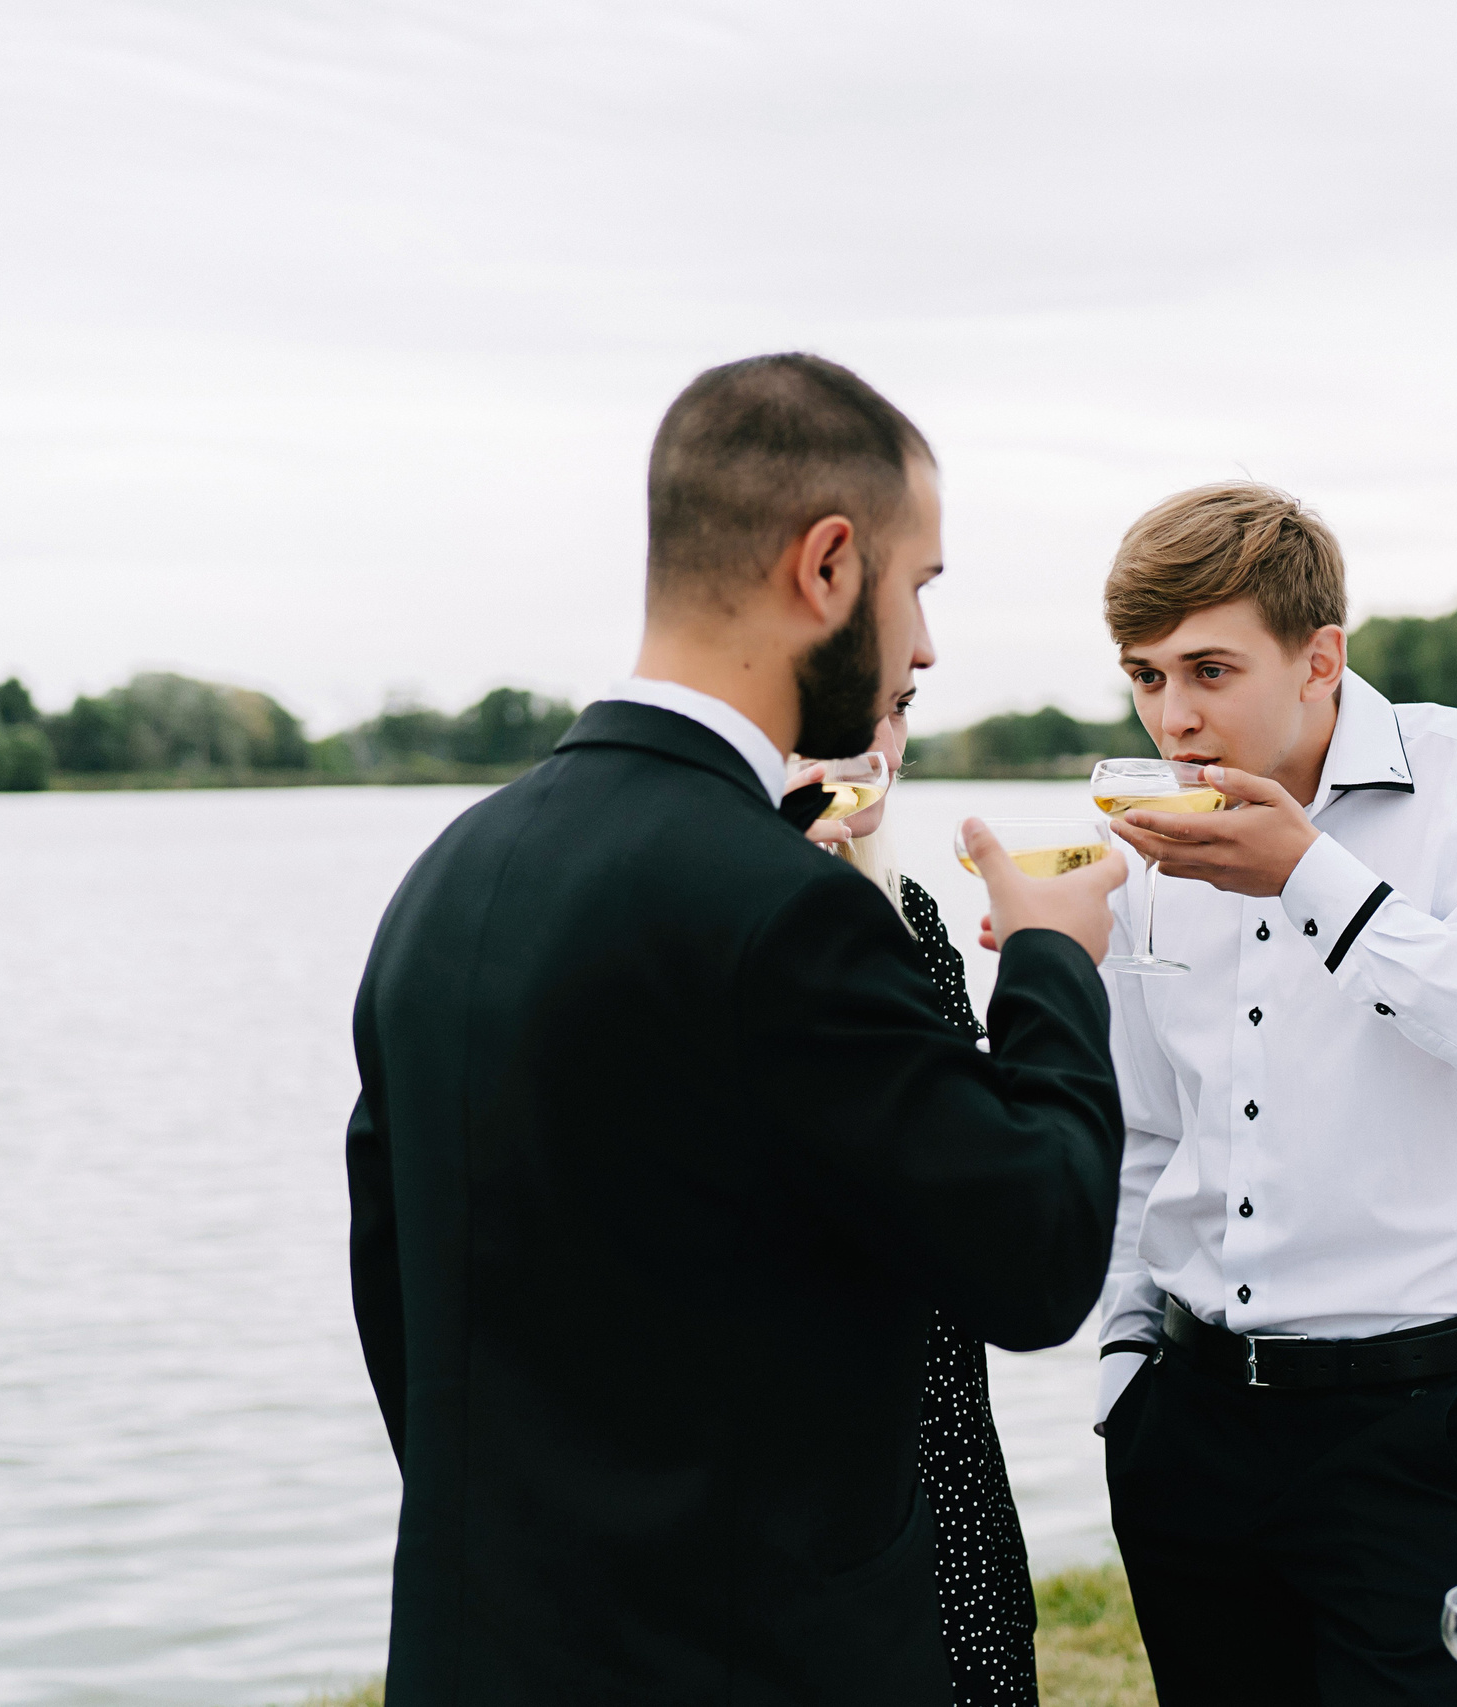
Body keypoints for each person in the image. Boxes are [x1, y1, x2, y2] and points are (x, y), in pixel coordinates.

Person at [344, 352, 1128, 1705]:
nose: (925, 644)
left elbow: (395, 1292)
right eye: (918, 585)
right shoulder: (781, 912)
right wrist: (1055, 955)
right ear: (827, 567)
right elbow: (1036, 1249)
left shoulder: (450, 875)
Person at [1089, 482, 1457, 1706]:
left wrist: (1313, 879)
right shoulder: (1142, 838)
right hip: (1188, 1422)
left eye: (1209, 670)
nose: (1174, 716)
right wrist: (1123, 1368)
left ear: (1320, 658)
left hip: (1412, 1431)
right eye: (1146, 676)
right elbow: (1142, 1130)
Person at [798, 698, 1042, 1707]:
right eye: (836, 712)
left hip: (942, 1437)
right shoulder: (727, 933)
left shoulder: (911, 919)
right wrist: (1047, 975)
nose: (873, 745)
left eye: (894, 707)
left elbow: (984, 1197)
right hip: (814, 1468)